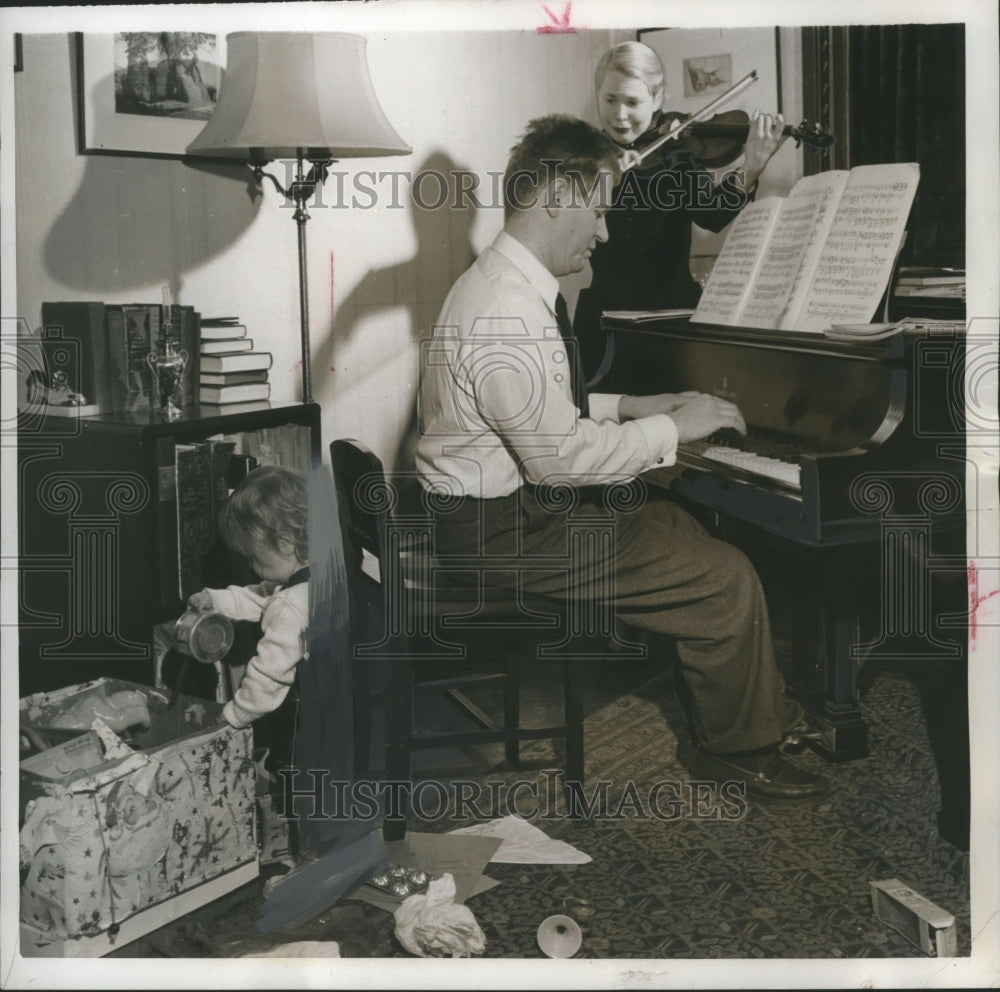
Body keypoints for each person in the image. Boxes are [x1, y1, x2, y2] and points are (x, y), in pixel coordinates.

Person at [414, 114, 827, 800]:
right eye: (599, 212)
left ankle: (748, 709)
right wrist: (674, 427)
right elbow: (558, 461)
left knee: (675, 527)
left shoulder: (499, 284)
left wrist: (632, 404)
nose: (605, 233)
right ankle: (743, 752)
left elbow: (536, 410)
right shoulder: (506, 311)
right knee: (724, 576)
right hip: (500, 534)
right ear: (557, 196)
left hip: (498, 515)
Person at [573, 40, 786, 383]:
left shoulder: (676, 155)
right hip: (606, 321)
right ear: (598, 93)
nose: (620, 114)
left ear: (657, 100)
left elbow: (711, 215)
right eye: (610, 99)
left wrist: (751, 168)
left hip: (672, 319)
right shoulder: (583, 157)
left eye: (632, 102)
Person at [188, 465, 310, 731]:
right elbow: (264, 597)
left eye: (254, 558)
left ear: (285, 543)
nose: (251, 566)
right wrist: (215, 600)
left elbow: (268, 676)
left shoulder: (291, 606)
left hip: (317, 715)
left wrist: (233, 716)